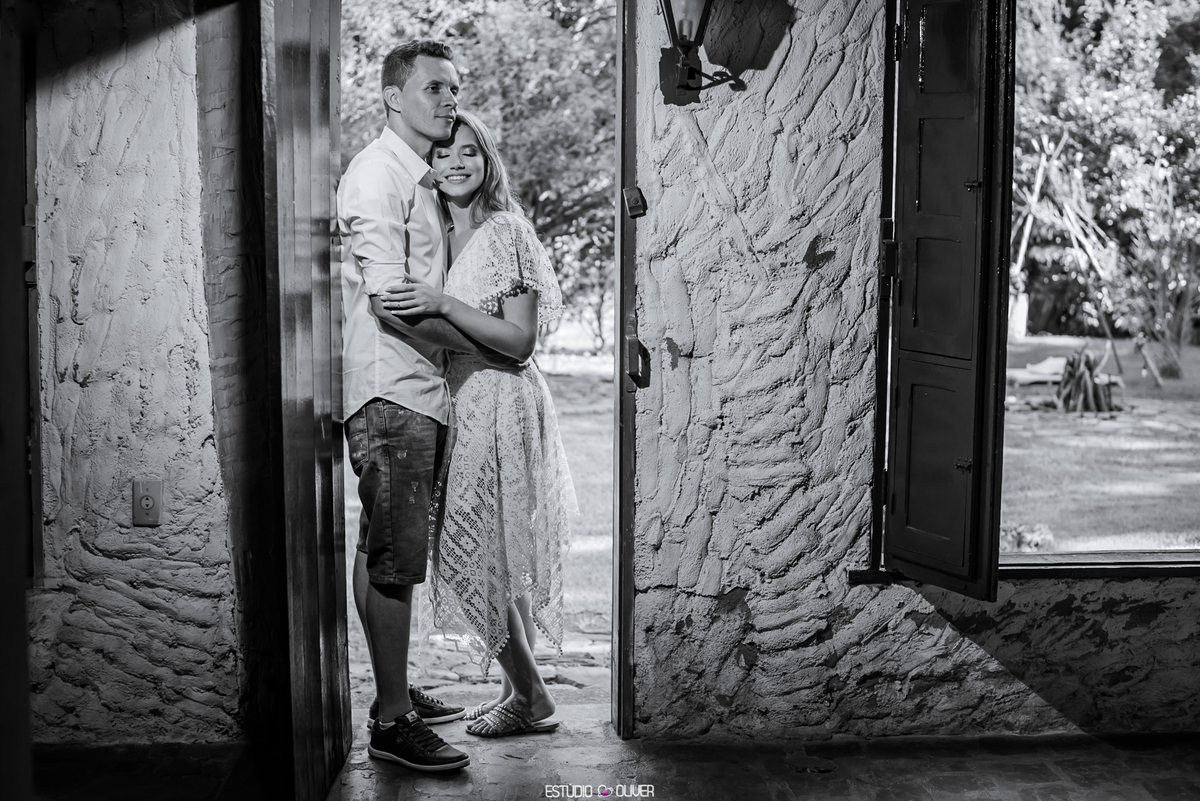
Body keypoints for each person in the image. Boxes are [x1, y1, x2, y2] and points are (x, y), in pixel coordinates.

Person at [338, 40, 509, 771]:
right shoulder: (376, 175)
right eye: (435, 88)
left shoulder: (420, 178)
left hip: (415, 391)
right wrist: (489, 347)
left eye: (456, 88)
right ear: (392, 96)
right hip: (392, 392)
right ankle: (391, 721)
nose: (449, 99)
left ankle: (393, 689)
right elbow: (390, 301)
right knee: (396, 560)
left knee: (380, 548)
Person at [380, 110, 577, 738]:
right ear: (427, 167)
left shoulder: (507, 232)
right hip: (459, 400)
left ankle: (532, 696)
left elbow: (520, 341)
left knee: (471, 561)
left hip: (503, 399)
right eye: (444, 154)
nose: (457, 162)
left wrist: (443, 302)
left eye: (470, 152)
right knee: (487, 554)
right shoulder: (432, 234)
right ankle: (519, 691)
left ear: (488, 161)